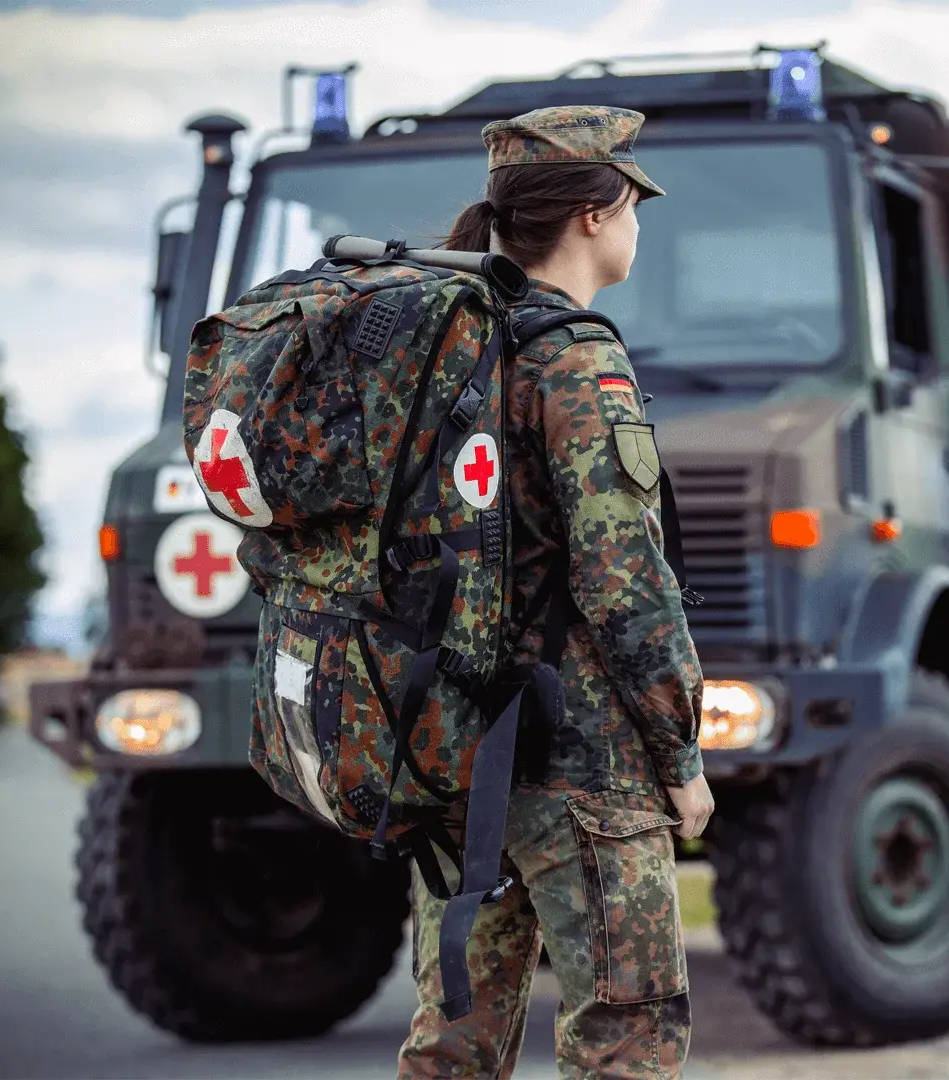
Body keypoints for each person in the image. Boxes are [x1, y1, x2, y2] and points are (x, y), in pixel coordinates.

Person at [398, 105, 715, 1080]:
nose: (636, 225)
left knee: (455, 1044)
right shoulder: (577, 361)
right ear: (592, 211)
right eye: (632, 202)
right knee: (627, 1034)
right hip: (584, 766)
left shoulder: (454, 351)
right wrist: (680, 752)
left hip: (453, 750)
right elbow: (625, 582)